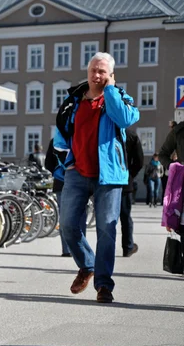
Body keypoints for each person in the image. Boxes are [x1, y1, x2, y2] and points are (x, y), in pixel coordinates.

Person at [53, 52, 139, 303]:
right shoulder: (73, 100)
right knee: (68, 225)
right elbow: (60, 134)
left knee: (107, 230)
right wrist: (66, 164)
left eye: (102, 71)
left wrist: (111, 90)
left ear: (111, 75)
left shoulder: (120, 99)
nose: (96, 75)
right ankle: (87, 264)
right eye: (93, 70)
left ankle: (104, 285)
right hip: (76, 172)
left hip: (109, 176)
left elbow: (125, 119)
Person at [45, 137, 87, 257]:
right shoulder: (81, 137)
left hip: (61, 183)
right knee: (80, 217)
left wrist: (58, 172)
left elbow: (48, 163)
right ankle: (81, 248)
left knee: (65, 217)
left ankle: (67, 249)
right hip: (80, 182)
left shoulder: (55, 141)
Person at [120, 129, 144, 257]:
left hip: (106, 181)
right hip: (124, 181)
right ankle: (128, 246)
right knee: (125, 216)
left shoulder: (104, 131)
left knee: (106, 218)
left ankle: (105, 250)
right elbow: (139, 161)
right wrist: (130, 175)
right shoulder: (131, 135)